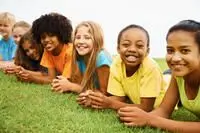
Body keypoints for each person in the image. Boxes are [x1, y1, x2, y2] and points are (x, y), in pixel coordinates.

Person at [118, 20, 200, 133]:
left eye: (185, 51)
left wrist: (150, 120)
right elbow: (164, 110)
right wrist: (137, 116)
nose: (175, 58)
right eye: (170, 50)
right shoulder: (178, 76)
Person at [85, 24, 166, 111]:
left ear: (147, 51)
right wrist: (94, 100)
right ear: (118, 48)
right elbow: (119, 98)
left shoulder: (151, 67)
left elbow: (146, 107)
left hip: (161, 101)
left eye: (139, 46)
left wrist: (110, 103)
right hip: (138, 99)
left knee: (168, 78)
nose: (132, 49)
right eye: (126, 45)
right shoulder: (117, 64)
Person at [51, 21, 112, 95]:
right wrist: (62, 83)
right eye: (78, 37)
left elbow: (105, 93)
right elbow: (81, 85)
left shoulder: (101, 57)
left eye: (87, 38)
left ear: (97, 40)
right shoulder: (79, 57)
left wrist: (71, 86)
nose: (81, 41)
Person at [31, 12, 73, 83]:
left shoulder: (70, 50)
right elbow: (51, 78)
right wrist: (26, 74)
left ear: (60, 35)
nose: (46, 40)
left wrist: (31, 78)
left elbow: (64, 81)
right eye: (43, 37)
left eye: (51, 35)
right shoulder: (48, 51)